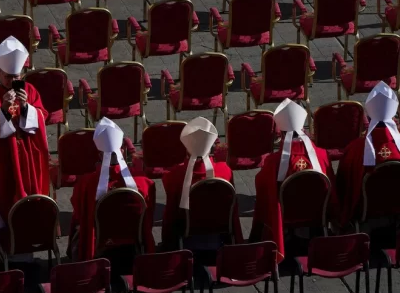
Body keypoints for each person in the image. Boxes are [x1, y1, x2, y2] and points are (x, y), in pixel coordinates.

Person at [0, 36, 50, 254]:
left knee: (27, 212)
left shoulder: (30, 91)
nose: (12, 81)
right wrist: (3, 111)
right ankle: (3, 257)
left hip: (28, 162)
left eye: (16, 77)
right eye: (8, 77)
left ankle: (26, 255)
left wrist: (26, 108)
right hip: (1, 164)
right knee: (2, 209)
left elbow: (42, 116)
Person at [249, 99, 337, 261]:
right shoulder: (322, 155)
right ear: (303, 129)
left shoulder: (274, 161)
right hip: (317, 214)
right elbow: (332, 188)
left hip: (288, 216)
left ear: (281, 133)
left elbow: (263, 189)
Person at [69, 118, 156, 261]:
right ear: (122, 150)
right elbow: (149, 214)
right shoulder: (144, 182)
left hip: (100, 243)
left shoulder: (85, 184)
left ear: (99, 155)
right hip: (132, 241)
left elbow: (79, 214)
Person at [161, 117, 242, 247]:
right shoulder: (225, 171)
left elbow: (170, 213)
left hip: (187, 230)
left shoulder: (174, 175)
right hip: (221, 228)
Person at [337, 81, 400, 226]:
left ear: (369, 119)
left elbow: (343, 185)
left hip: (365, 211)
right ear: (393, 118)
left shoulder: (354, 149)